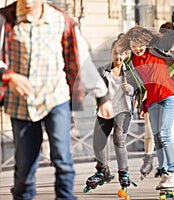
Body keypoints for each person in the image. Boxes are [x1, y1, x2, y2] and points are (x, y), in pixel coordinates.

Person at [0, 1, 112, 199]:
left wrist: (102, 96)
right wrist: (7, 75)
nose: (28, 3)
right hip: (21, 103)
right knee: (25, 166)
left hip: (55, 98)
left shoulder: (61, 20)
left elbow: (81, 59)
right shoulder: (4, 19)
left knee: (62, 158)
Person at [117, 0, 174, 190]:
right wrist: (127, 89)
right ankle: (164, 173)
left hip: (168, 96)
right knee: (156, 138)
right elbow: (134, 87)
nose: (138, 48)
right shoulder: (132, 62)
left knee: (164, 135)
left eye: (140, 44)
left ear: (146, 42)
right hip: (152, 101)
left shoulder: (157, 50)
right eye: (134, 45)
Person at [139, 21, 174, 177]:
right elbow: (147, 85)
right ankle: (164, 167)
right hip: (159, 99)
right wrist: (144, 107)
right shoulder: (152, 57)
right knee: (160, 135)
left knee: (171, 134)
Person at [85, 37, 137, 191]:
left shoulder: (130, 72)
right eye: (115, 53)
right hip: (105, 110)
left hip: (122, 110)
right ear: (111, 53)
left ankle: (123, 172)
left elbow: (137, 89)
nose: (118, 57)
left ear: (126, 54)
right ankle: (103, 170)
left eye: (121, 54)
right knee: (98, 142)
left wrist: (131, 90)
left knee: (118, 141)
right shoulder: (103, 70)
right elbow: (94, 86)